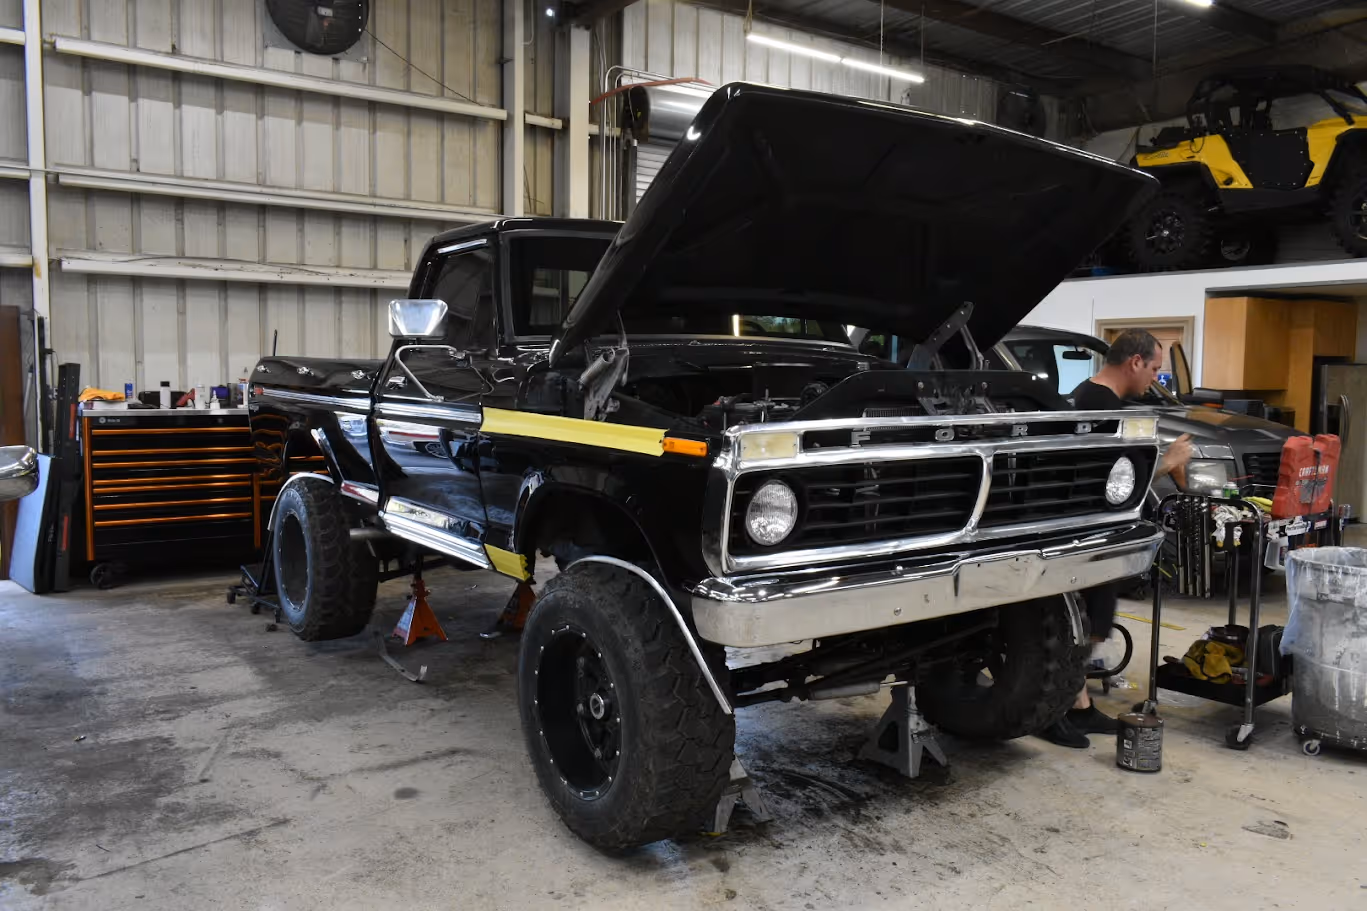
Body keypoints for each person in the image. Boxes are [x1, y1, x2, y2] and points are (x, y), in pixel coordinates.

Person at [1039, 329, 1193, 748]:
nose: (1156, 379)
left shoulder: (1097, 398)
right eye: (1156, 369)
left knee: (1094, 622)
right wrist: (1168, 462)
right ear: (1135, 362)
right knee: (1082, 624)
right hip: (1085, 530)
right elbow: (1108, 478)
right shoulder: (1097, 405)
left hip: (1098, 528)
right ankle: (1054, 709)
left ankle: (1080, 705)